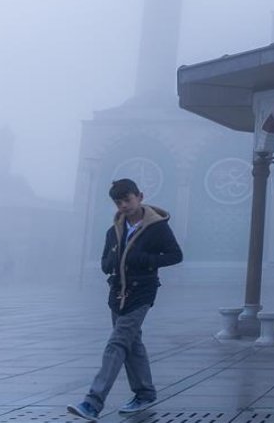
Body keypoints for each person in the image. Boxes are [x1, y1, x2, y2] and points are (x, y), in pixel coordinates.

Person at [68, 178, 182, 420]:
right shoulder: (114, 230)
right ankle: (144, 392)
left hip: (142, 291)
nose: (124, 206)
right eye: (119, 202)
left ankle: (92, 402)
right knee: (132, 343)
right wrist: (109, 264)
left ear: (139, 196)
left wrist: (146, 259)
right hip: (117, 292)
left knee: (117, 343)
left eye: (127, 200)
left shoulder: (157, 227)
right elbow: (104, 261)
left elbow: (175, 255)